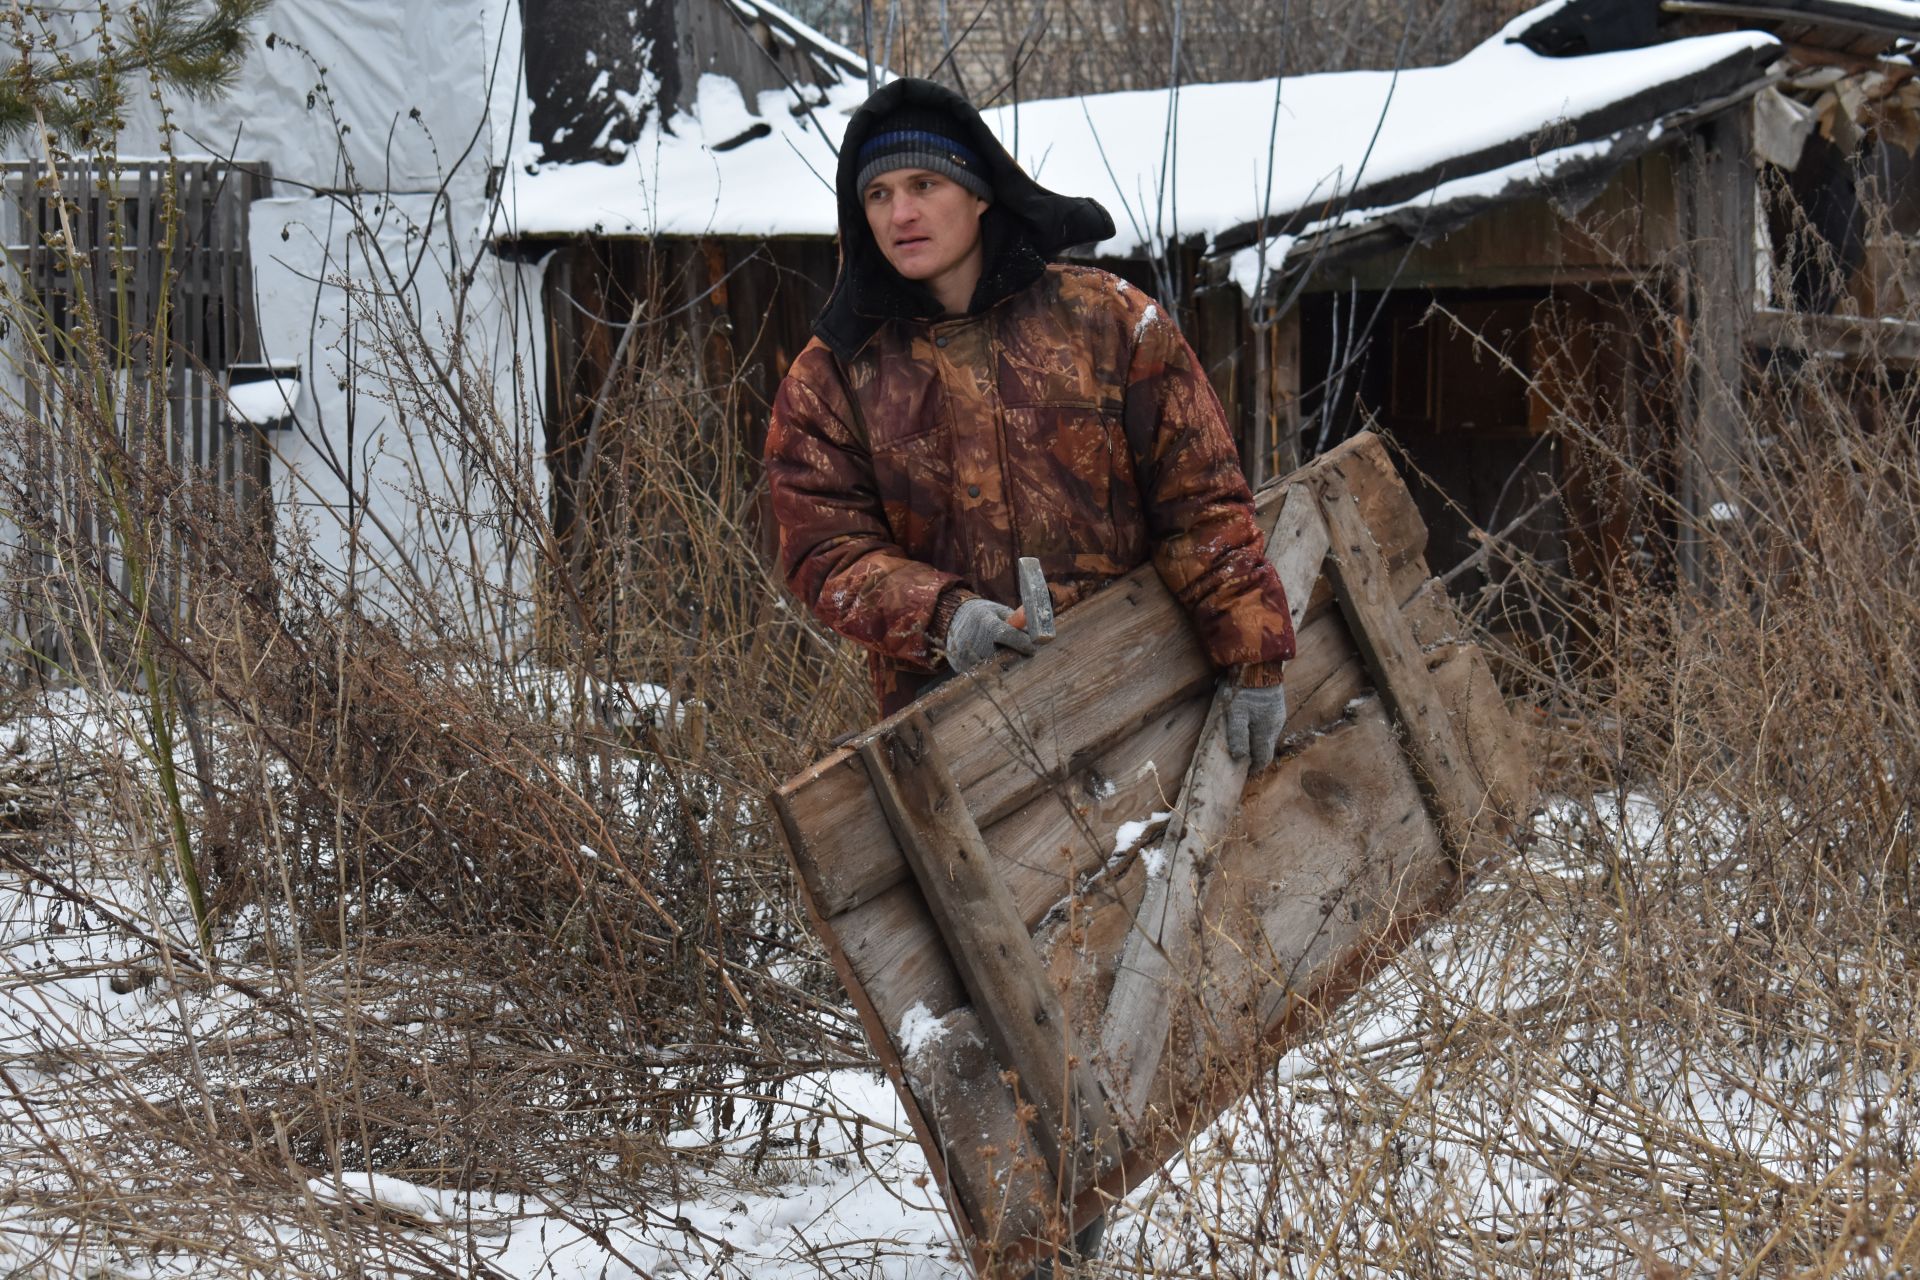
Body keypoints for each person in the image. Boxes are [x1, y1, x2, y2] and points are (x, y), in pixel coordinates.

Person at [765, 77, 1296, 769]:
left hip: (1143, 697)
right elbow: (824, 551)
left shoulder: (1108, 321)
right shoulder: (832, 376)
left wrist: (1253, 657)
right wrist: (945, 617)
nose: (901, 214)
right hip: (957, 734)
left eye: (925, 184)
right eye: (879, 194)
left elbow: (1201, 503)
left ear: (980, 192)